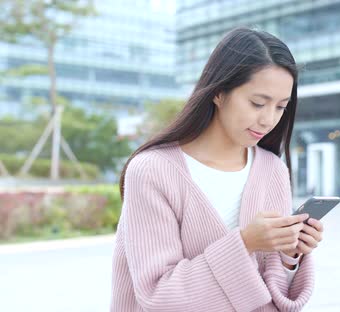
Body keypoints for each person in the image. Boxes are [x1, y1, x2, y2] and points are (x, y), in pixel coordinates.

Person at [110, 27, 324, 311]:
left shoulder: (272, 170)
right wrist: (246, 242)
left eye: (280, 107)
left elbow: (276, 293)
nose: (267, 120)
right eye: (257, 103)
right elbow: (159, 295)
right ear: (219, 93)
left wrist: (289, 255)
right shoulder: (152, 171)